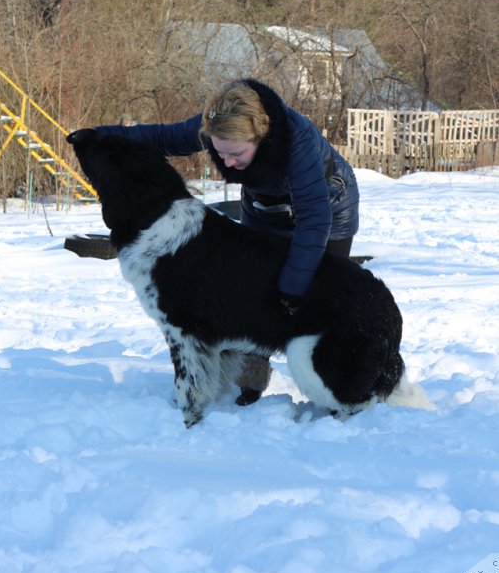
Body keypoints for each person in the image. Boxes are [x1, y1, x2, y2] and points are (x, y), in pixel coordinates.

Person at [94, 78, 359, 405]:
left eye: (236, 154)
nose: (228, 163)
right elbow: (160, 137)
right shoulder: (214, 124)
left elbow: (314, 221)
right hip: (265, 210)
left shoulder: (296, 143)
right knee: (248, 296)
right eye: (220, 153)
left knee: (318, 298)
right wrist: (102, 137)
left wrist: (292, 288)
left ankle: (342, 384)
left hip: (330, 209)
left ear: (259, 136)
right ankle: (249, 383)